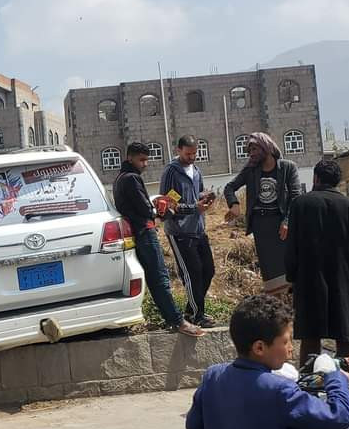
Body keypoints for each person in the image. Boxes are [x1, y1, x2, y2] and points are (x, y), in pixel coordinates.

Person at [185, 294, 349, 429]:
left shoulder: (212, 376)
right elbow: (339, 417)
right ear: (259, 347)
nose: (291, 348)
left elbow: (193, 426)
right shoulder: (280, 390)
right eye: (286, 341)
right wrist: (335, 376)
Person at [114, 142, 204, 338]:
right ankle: (178, 321)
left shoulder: (121, 178)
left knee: (156, 280)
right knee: (160, 279)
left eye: (147, 159)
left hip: (138, 233)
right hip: (145, 234)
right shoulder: (131, 179)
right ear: (130, 158)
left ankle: (174, 319)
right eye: (141, 160)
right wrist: (165, 210)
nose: (145, 164)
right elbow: (147, 211)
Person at [284, 159, 349, 362]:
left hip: (309, 278)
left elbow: (291, 245)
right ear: (338, 181)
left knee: (311, 336)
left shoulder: (300, 204)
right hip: (345, 278)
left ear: (316, 178)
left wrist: (291, 277)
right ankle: (343, 382)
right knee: (345, 336)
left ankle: (308, 382)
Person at [223, 132, 302, 294]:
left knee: (289, 264)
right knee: (269, 268)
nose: (251, 153)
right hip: (261, 225)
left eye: (254, 148)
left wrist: (287, 221)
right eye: (249, 150)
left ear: (266, 147)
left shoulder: (287, 167)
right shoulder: (250, 170)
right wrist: (234, 204)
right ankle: (277, 306)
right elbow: (229, 187)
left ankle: (294, 305)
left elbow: (295, 197)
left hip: (282, 224)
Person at [161, 135, 217, 328]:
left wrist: (206, 197)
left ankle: (191, 309)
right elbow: (169, 205)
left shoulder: (197, 171)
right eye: (188, 154)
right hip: (180, 232)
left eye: (195, 153)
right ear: (178, 150)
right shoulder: (171, 172)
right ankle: (197, 314)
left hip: (198, 229)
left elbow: (198, 193)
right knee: (192, 273)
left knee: (208, 270)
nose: (192, 157)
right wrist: (194, 207)